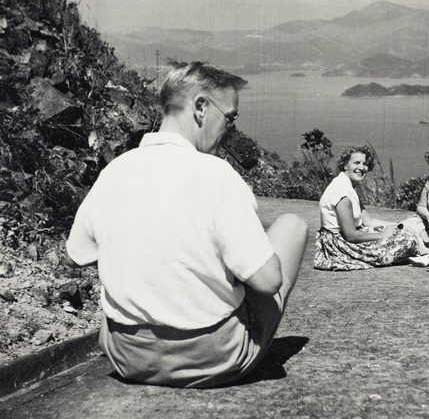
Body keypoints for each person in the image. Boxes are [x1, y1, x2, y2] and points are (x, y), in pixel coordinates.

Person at [66, 61, 308, 388]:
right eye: (231, 117)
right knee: (292, 226)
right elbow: (268, 282)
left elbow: (77, 254)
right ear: (200, 108)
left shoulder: (114, 173)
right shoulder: (217, 176)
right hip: (213, 359)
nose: (230, 131)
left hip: (127, 357)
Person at [314, 145, 417, 271]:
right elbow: (351, 235)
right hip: (340, 245)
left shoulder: (348, 186)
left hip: (349, 237)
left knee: (406, 234)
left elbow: (368, 221)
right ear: (345, 165)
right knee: (407, 242)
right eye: (356, 163)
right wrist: (382, 235)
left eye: (365, 164)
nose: (362, 168)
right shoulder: (342, 192)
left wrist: (399, 224)